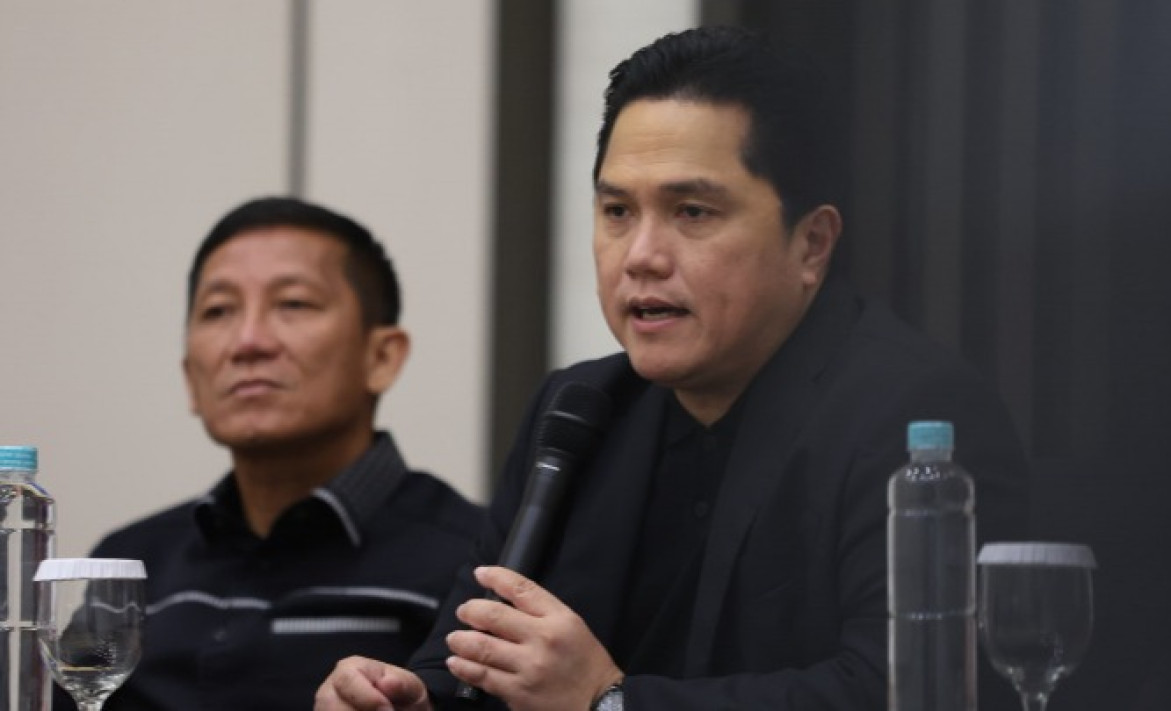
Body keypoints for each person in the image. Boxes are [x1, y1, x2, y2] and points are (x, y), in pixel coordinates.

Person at [315, 26, 1028, 711]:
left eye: (691, 211)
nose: (641, 256)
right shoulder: (580, 407)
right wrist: (408, 697)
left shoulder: (912, 415)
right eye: (616, 210)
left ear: (811, 243)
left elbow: (911, 691)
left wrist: (610, 702)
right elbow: (468, 660)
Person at [56, 197, 483, 711]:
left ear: (381, 357)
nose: (248, 341)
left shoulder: (474, 563)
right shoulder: (131, 565)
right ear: (191, 376)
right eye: (218, 311)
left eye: (293, 304)